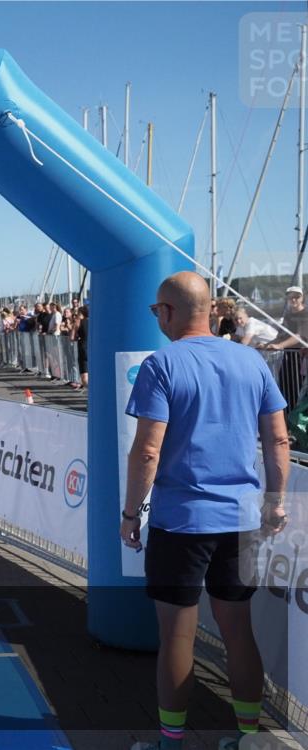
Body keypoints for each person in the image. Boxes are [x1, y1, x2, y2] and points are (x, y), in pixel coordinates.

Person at [121, 272, 289, 750]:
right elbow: (277, 438)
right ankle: (249, 738)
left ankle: (171, 742)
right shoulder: (250, 361)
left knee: (177, 635)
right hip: (241, 519)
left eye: (157, 312)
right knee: (239, 630)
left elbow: (147, 451)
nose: (157, 320)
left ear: (170, 312)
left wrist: (131, 514)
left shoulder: (162, 364)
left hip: (182, 522)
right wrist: (275, 502)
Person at [71, 306, 88, 390]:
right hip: (94, 348)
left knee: (85, 377)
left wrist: (77, 336)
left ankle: (91, 391)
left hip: (83, 348)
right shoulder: (95, 321)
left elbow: (72, 337)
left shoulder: (78, 322)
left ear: (81, 314)